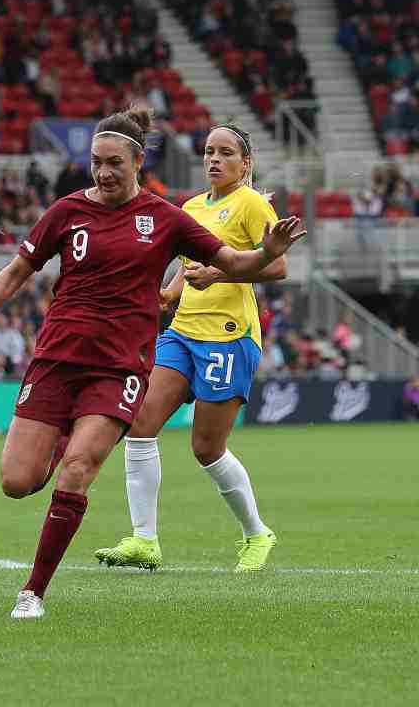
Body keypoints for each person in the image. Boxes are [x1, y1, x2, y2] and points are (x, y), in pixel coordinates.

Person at [0, 107, 305, 620]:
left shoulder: (166, 218)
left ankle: (33, 592)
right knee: (17, 481)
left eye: (114, 162)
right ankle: (70, 441)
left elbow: (237, 264)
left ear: (138, 161)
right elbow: (16, 270)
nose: (104, 172)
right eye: (96, 162)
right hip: (56, 359)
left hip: (120, 367)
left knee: (80, 471)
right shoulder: (67, 211)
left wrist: (267, 251)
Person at [95, 124, 286, 574]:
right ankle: (144, 540)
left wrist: (221, 277)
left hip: (228, 336)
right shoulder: (193, 207)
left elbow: (277, 266)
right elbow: (191, 264)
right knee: (139, 423)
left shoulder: (252, 204)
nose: (214, 160)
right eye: (208, 152)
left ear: (246, 164)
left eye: (225, 153)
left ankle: (257, 533)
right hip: (182, 332)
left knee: (206, 447)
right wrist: (167, 293)